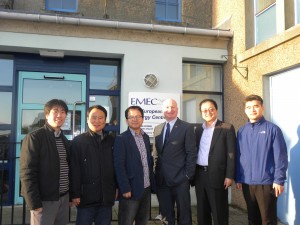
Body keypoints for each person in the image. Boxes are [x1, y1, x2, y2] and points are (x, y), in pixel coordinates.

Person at [236, 94, 288, 225]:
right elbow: (239, 156)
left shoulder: (273, 130)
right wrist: (239, 178)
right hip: (247, 183)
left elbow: (280, 157)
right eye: (248, 107)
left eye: (256, 106)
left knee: (267, 219)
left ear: (262, 108)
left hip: (267, 183)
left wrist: (279, 180)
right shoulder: (241, 131)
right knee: (252, 219)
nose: (252, 110)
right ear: (245, 110)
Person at [20, 99, 70, 225]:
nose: (60, 115)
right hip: (44, 200)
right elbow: (27, 172)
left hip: (64, 199)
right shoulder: (35, 137)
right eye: (55, 111)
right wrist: (34, 202)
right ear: (47, 115)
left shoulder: (64, 139)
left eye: (63, 111)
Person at [70, 105, 116, 225]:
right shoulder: (78, 142)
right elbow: (74, 169)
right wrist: (75, 194)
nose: (97, 121)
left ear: (105, 120)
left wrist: (116, 188)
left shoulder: (111, 140)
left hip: (106, 198)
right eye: (93, 117)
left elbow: (115, 166)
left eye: (100, 118)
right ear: (87, 119)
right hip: (85, 198)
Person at [153, 98, 197, 225]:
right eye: (167, 107)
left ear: (177, 109)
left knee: (184, 214)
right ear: (162, 110)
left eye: (173, 107)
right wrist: (156, 173)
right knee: (167, 215)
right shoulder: (158, 129)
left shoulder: (186, 127)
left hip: (180, 179)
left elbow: (191, 153)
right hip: (162, 180)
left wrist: (188, 175)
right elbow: (157, 154)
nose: (170, 110)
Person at [193, 99, 236, 225]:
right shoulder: (198, 130)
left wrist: (229, 175)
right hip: (200, 176)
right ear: (201, 113)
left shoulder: (227, 128)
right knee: (202, 212)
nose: (208, 112)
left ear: (216, 110)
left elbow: (232, 154)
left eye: (211, 109)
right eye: (204, 110)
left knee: (219, 213)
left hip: (218, 176)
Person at [113, 105, 155, 225]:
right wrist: (125, 188)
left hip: (146, 188)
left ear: (143, 119)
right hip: (130, 190)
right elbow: (119, 165)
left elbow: (147, 162)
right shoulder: (121, 139)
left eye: (138, 116)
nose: (135, 119)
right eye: (131, 117)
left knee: (142, 221)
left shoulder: (146, 137)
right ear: (127, 120)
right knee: (126, 221)